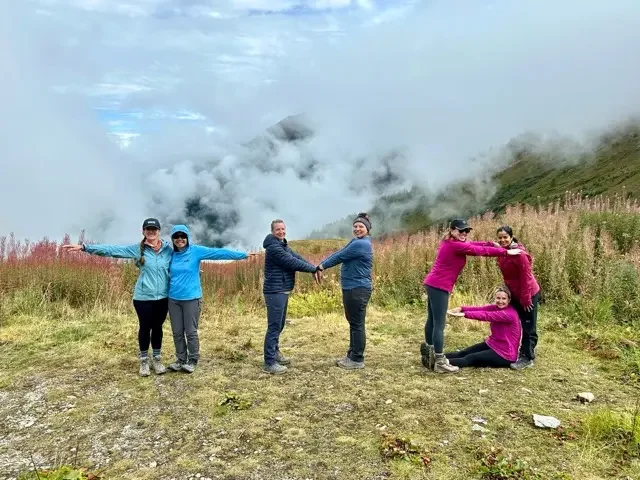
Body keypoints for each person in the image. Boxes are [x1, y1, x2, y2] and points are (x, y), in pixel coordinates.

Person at [62, 218, 172, 377]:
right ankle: (143, 361)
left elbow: (182, 260)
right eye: (148, 229)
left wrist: (192, 271)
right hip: (143, 297)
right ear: (143, 231)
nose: (151, 232)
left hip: (163, 297)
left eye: (154, 229)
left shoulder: (168, 250)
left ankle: (156, 359)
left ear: (159, 231)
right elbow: (112, 250)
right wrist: (85, 247)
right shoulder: (137, 250)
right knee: (145, 327)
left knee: (157, 327)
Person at [420, 218, 522, 374]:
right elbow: (479, 251)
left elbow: (475, 245)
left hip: (434, 284)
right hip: (439, 286)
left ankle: (429, 354)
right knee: (439, 324)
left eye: (466, 230)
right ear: (452, 230)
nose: (464, 233)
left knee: (432, 320)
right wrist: (506, 251)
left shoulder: (450, 242)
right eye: (461, 230)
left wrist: (490, 243)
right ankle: (440, 361)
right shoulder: (455, 246)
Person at [167, 224, 253, 374]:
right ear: (172, 239)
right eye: (176, 237)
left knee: (191, 331)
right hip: (173, 298)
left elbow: (218, 253)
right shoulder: (170, 254)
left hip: (192, 298)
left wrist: (242, 255)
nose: (179, 239)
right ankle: (180, 360)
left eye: (183, 236)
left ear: (187, 238)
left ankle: (192, 360)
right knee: (177, 332)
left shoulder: (196, 251)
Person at [316, 213, 373, 370]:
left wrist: (321, 267)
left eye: (361, 226)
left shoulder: (361, 244)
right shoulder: (357, 242)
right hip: (353, 288)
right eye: (355, 226)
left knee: (357, 323)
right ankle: (352, 354)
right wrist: (321, 264)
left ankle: (357, 358)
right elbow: (340, 253)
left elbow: (340, 256)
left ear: (367, 229)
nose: (357, 229)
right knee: (354, 322)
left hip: (357, 288)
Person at [262, 219, 319, 375]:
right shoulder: (274, 248)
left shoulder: (283, 245)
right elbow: (291, 262)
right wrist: (313, 269)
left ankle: (275, 352)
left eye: (283, 229)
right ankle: (269, 362)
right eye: (278, 230)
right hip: (275, 291)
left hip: (282, 290)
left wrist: (314, 268)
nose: (281, 232)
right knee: (274, 327)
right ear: (272, 232)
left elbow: (298, 257)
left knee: (279, 325)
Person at [494, 225, 541, 370]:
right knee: (512, 321)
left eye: (505, 237)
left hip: (527, 292)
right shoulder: (504, 252)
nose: (502, 240)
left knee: (528, 326)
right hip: (514, 293)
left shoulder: (519, 254)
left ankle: (527, 357)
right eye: (500, 238)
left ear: (511, 237)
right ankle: (509, 350)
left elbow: (526, 277)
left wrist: (526, 299)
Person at [445, 287, 522, 368]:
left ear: (509, 300)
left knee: (471, 358)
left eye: (504, 299)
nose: (500, 301)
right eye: (498, 298)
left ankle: (441, 363)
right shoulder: (494, 308)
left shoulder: (509, 314)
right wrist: (461, 308)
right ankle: (437, 357)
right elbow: (480, 309)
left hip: (505, 354)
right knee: (463, 353)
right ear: (495, 298)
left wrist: (465, 314)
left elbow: (486, 315)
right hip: (493, 344)